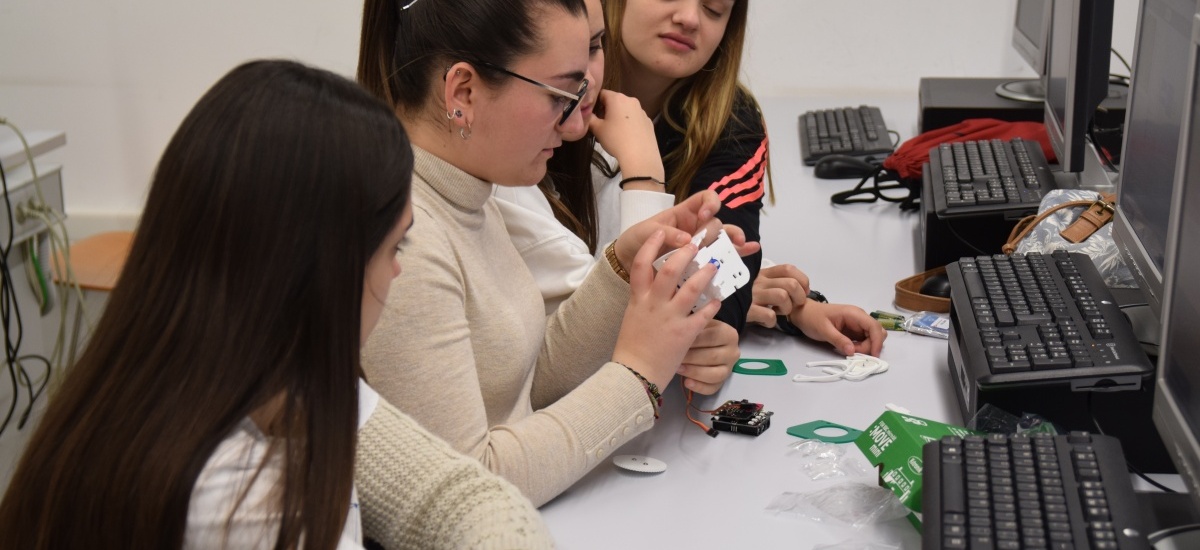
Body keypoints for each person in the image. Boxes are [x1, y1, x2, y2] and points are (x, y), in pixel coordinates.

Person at [0, 60, 552, 550]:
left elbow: (452, 493)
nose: (399, 271)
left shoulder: (244, 376)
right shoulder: (244, 510)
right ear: (320, 270)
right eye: (395, 246)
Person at [356, 0, 759, 507]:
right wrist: (638, 376)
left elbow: (526, 387)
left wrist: (622, 267)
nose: (574, 128)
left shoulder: (466, 192)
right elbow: (461, 488)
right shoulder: (405, 245)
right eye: (559, 97)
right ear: (463, 92)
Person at [605, 0, 886, 357]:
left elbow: (724, 282)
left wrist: (767, 300)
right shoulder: (557, 106)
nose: (690, 19)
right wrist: (644, 171)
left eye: (714, 8)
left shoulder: (730, 121)